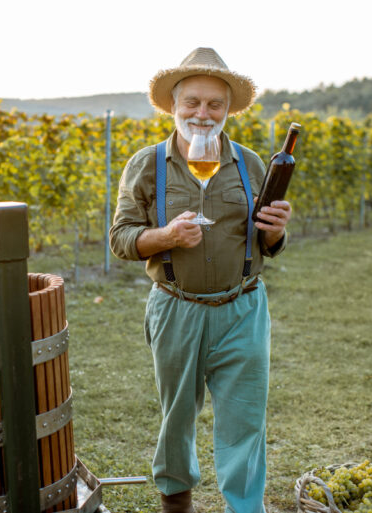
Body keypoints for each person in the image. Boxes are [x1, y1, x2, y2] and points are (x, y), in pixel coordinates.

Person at [109, 47, 292, 513]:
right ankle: (178, 502)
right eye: (192, 102)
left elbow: (265, 242)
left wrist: (277, 232)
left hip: (243, 307)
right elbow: (121, 239)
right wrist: (165, 236)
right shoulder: (146, 165)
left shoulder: (251, 164)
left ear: (228, 109)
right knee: (177, 418)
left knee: (246, 420)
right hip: (176, 307)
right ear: (173, 103)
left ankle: (246, 507)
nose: (203, 114)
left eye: (215, 104)